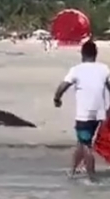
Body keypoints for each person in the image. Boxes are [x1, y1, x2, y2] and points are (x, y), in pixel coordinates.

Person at [53, 40, 110, 183]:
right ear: (95, 54)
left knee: (86, 145)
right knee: (82, 142)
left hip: (84, 115)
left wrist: (57, 99)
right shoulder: (104, 69)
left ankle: (92, 178)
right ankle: (72, 171)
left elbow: (63, 86)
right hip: (99, 114)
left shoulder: (76, 69)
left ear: (82, 54)